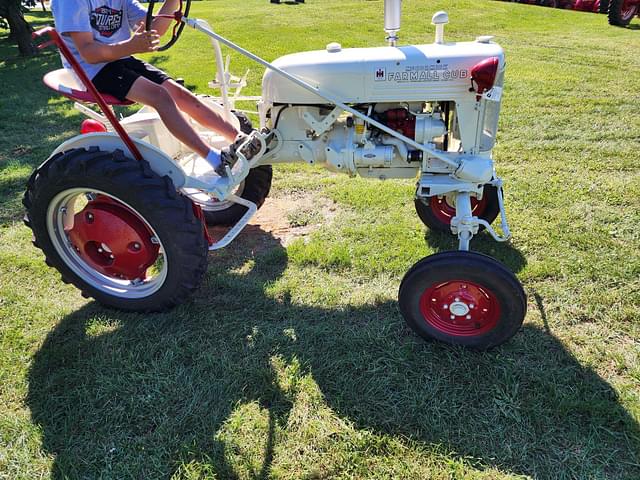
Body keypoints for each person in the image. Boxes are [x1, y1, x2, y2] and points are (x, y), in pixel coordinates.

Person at [50, 0, 241, 176]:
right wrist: (132, 45)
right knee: (160, 96)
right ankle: (215, 160)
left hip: (121, 59)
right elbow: (89, 53)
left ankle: (240, 140)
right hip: (91, 70)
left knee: (180, 94)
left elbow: (154, 29)